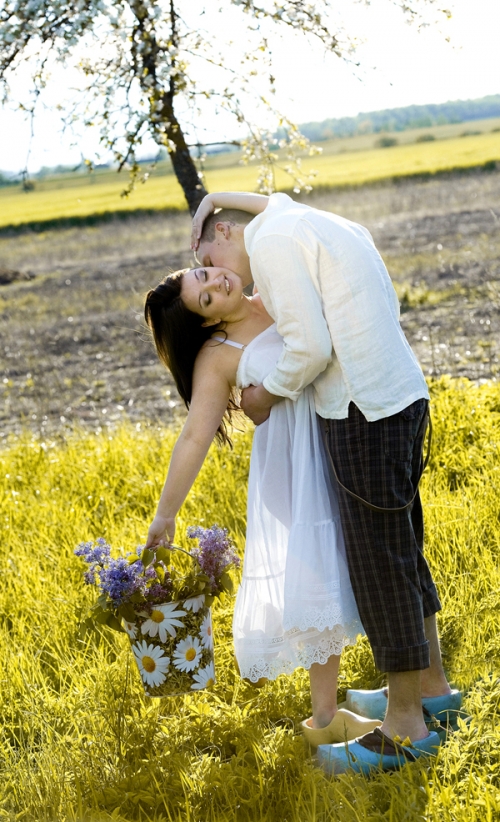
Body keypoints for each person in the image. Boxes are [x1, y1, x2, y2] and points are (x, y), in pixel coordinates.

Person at [191, 191, 462, 774]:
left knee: (380, 565)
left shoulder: (275, 243)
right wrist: (215, 197)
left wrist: (263, 394)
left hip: (362, 410)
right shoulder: (302, 220)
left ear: (227, 234)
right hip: (398, 394)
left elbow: (310, 347)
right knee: (402, 554)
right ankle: (432, 688)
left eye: (205, 256)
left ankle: (406, 727)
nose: (213, 271)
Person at [143, 265, 382, 748]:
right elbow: (195, 435)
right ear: (207, 323)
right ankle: (324, 720)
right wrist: (165, 513)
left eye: (206, 275)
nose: (216, 284)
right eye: (205, 299)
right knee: (321, 583)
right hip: (294, 469)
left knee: (369, 560)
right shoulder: (217, 354)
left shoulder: (275, 287)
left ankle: (398, 678)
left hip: (342, 440)